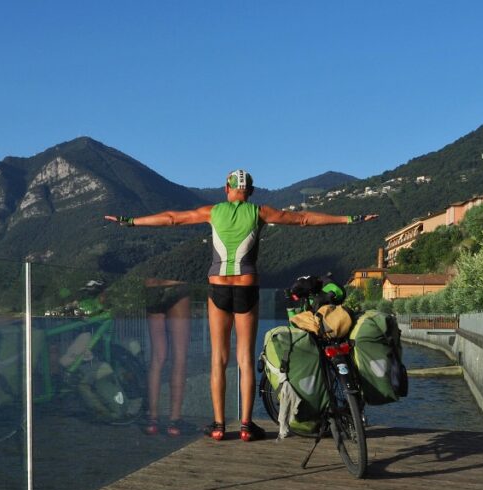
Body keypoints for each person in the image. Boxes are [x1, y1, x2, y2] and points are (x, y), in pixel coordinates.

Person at [105, 169, 377, 441]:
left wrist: (131, 221)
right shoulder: (259, 212)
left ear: (227, 188)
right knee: (245, 358)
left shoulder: (213, 211)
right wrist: (350, 218)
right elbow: (304, 219)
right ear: (251, 191)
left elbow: (172, 218)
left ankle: (219, 425)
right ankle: (246, 425)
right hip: (246, 287)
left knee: (218, 358)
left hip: (218, 287)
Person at [143, 277, 191, 436]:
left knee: (157, 357)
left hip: (152, 287)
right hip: (175, 285)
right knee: (179, 357)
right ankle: (174, 421)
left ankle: (153, 420)